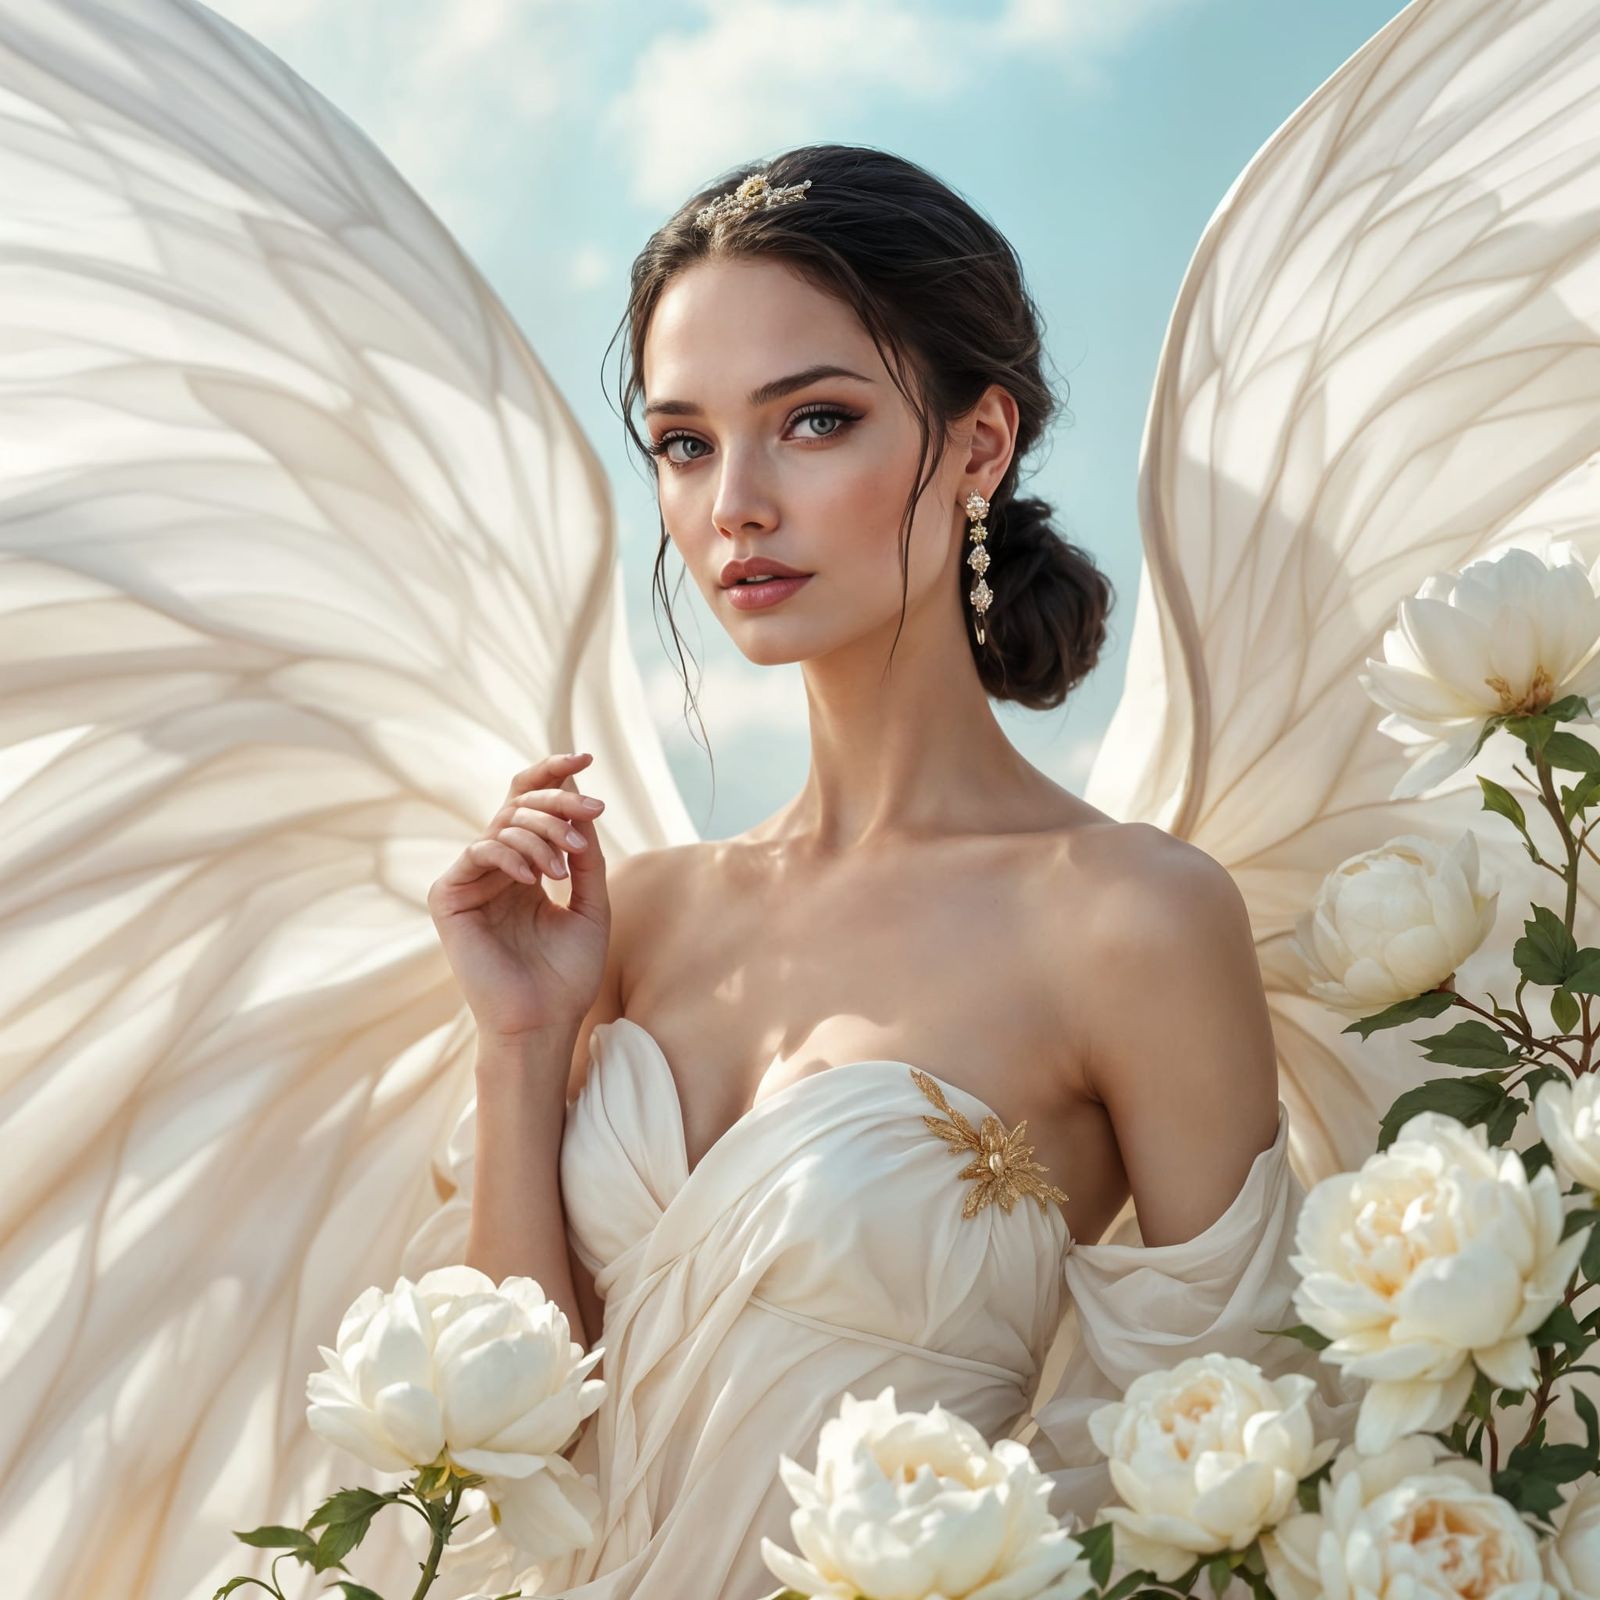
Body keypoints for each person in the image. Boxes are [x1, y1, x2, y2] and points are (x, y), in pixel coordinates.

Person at [4, 0, 1598, 1597]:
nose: (734, 507)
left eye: (814, 420)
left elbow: (1217, 1449)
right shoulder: (643, 913)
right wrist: (519, 1039)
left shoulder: (1127, 914)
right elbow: (499, 1439)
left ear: (980, 441)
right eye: (684, 444)